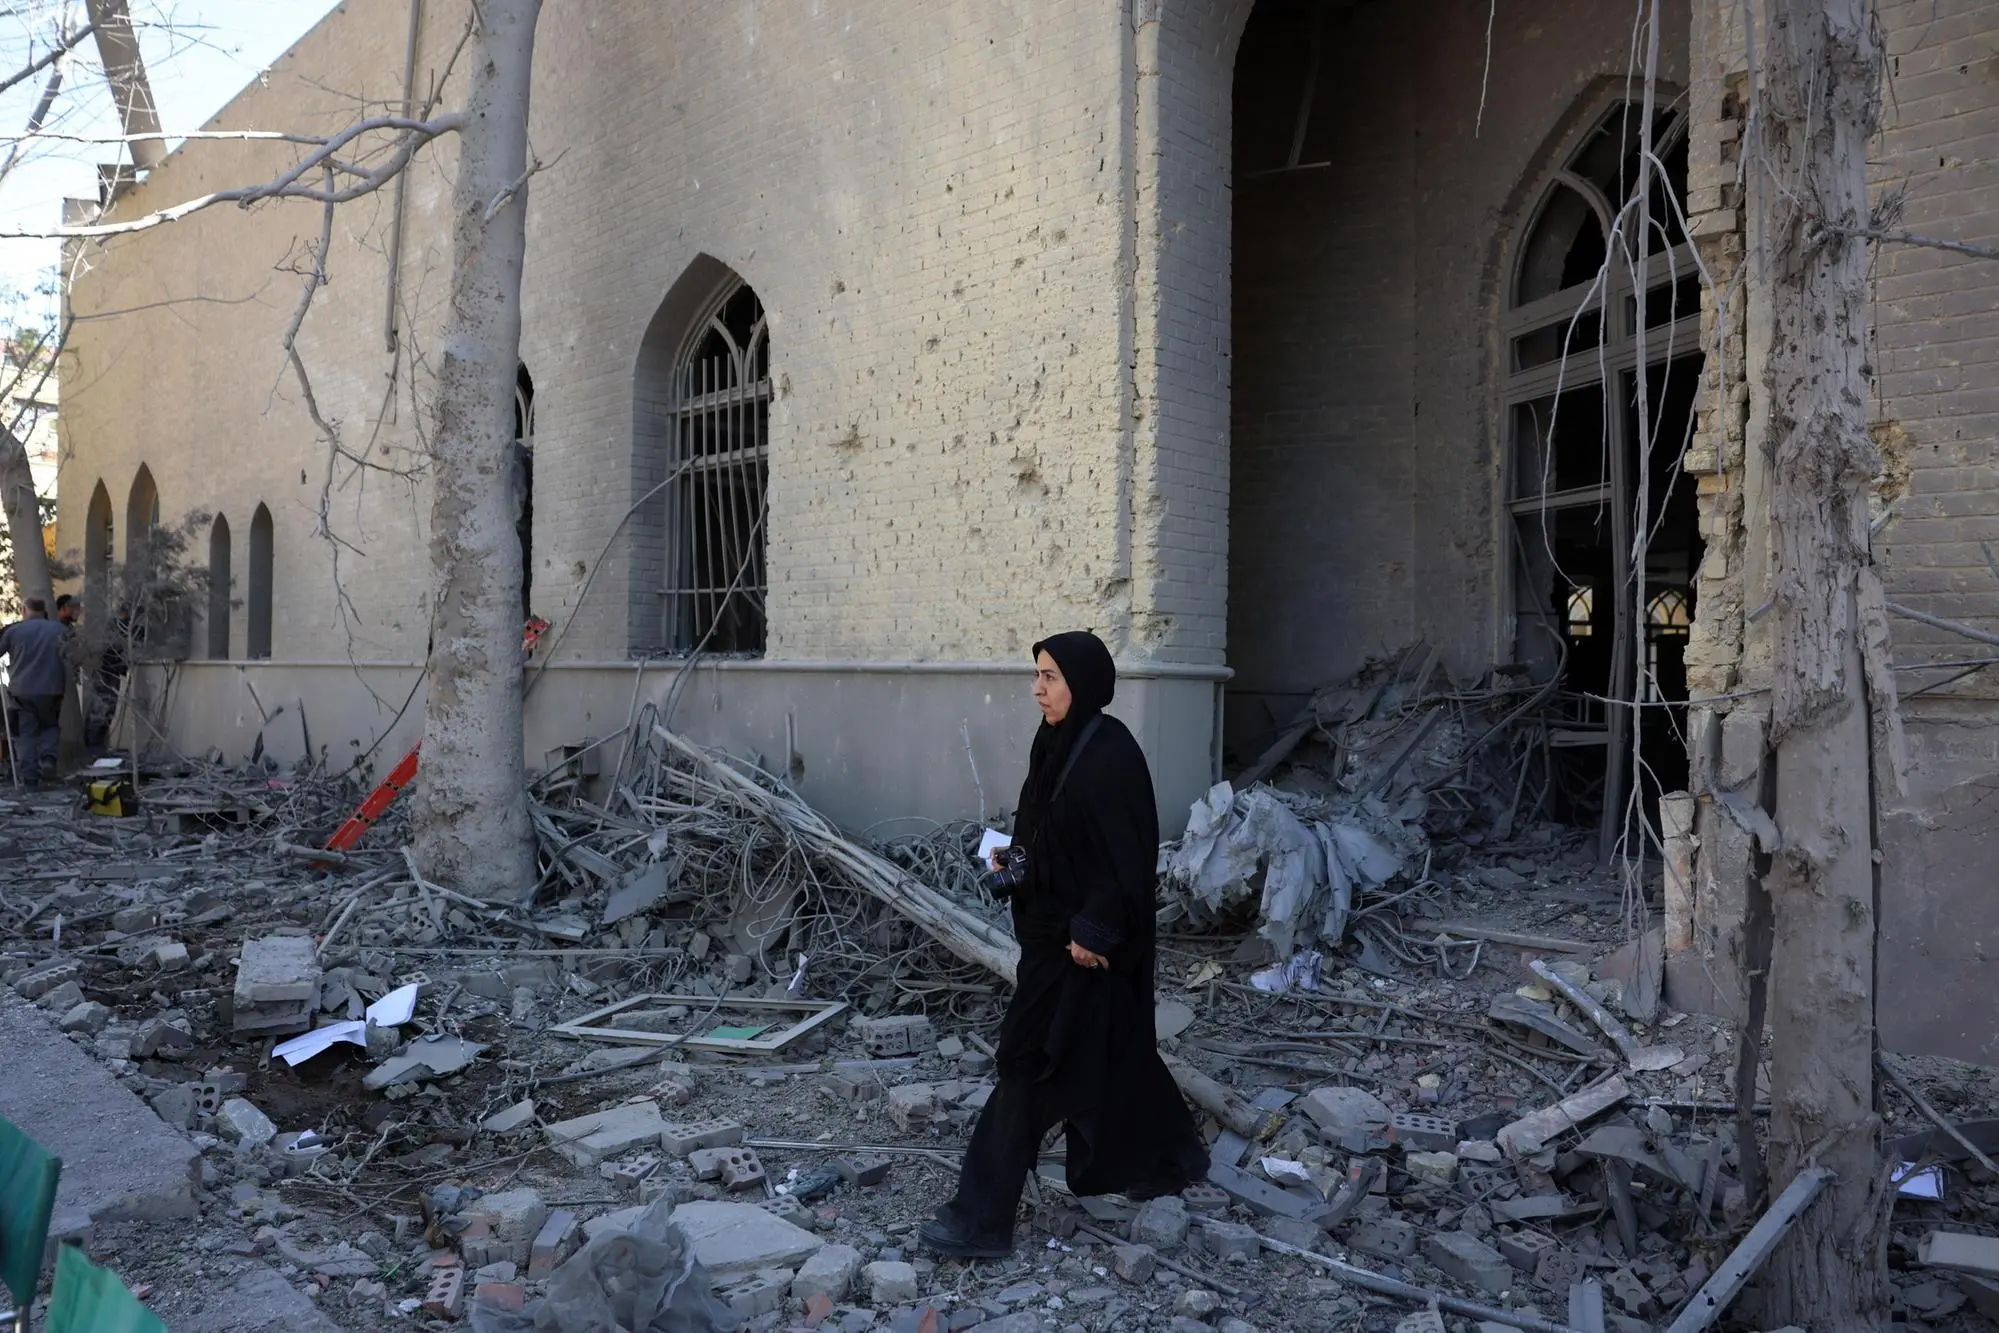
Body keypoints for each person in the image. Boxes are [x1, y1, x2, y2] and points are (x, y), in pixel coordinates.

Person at [919, 630, 1208, 1259]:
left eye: (1049, 677)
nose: (1037, 690)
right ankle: (1172, 1158)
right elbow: (1045, 828)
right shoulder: (1056, 741)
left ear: (1084, 683)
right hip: (1048, 934)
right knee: (1118, 1046)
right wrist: (1010, 863)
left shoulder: (1111, 756)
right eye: (1037, 675)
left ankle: (980, 1221)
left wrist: (1094, 930)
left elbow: (1125, 859)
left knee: (1027, 1063)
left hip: (1082, 947)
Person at [1, 597, 68, 786]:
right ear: (43, 610)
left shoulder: (13, 631)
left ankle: (30, 777)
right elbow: (75, 654)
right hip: (52, 688)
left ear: (24, 609)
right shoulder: (60, 630)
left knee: (26, 732)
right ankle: (48, 759)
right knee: (50, 726)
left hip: (22, 690)